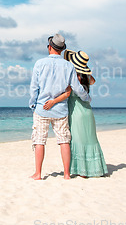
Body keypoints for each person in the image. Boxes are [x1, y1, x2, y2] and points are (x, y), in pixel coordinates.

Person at [28, 34, 91, 180]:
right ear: (62, 50)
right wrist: (86, 98)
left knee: (39, 141)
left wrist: (32, 104)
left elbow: (34, 87)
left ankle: (38, 173)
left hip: (42, 108)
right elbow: (76, 87)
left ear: (49, 47)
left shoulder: (39, 63)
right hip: (61, 110)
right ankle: (67, 174)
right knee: (64, 140)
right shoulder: (69, 65)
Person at [44, 50, 108, 178]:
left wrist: (52, 102)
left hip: (76, 112)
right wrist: (84, 70)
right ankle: (95, 169)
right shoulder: (85, 77)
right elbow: (93, 81)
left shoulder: (72, 78)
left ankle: (83, 171)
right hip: (87, 111)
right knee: (90, 139)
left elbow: (66, 93)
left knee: (78, 140)